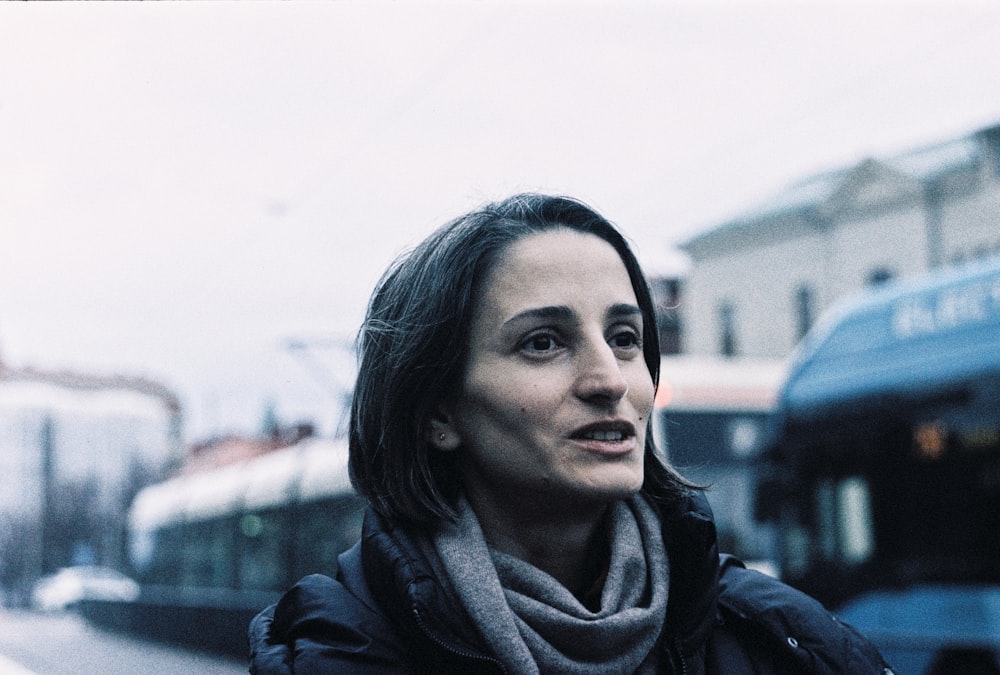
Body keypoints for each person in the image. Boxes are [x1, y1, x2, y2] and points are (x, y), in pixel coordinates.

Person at [249, 194, 893, 674]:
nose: (608, 379)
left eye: (624, 338)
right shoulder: (336, 651)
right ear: (438, 413)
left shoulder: (780, 639)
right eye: (543, 342)